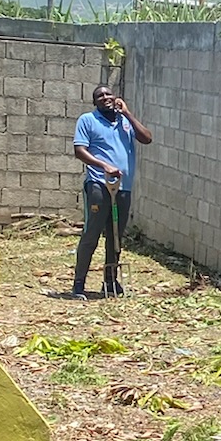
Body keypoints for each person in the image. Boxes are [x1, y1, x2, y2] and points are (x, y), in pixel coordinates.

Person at [71, 84, 151, 299]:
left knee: (115, 237)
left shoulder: (124, 121)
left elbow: (146, 138)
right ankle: (79, 283)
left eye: (108, 94)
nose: (105, 97)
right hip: (98, 185)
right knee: (92, 234)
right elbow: (80, 151)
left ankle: (110, 281)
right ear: (94, 101)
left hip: (123, 188)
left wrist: (127, 113)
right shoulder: (87, 120)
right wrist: (103, 166)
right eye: (100, 96)